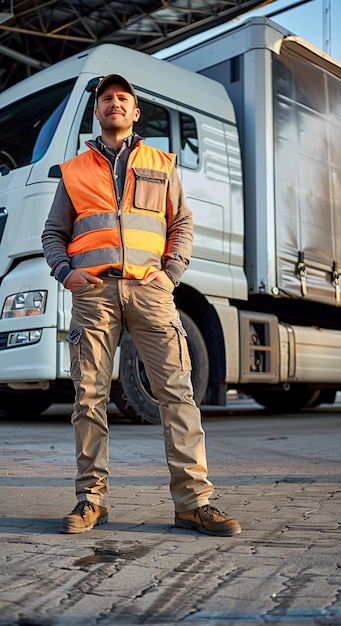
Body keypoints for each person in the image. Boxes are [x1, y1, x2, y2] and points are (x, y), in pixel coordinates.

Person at [41, 74, 241, 537]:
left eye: (123, 99)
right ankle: (91, 501)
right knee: (89, 397)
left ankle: (194, 503)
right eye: (106, 98)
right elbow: (54, 233)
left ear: (135, 113)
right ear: (97, 112)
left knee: (177, 393)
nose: (114, 103)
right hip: (94, 295)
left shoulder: (161, 163)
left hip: (150, 293)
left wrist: (170, 273)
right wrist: (65, 271)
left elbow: (181, 224)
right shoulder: (74, 171)